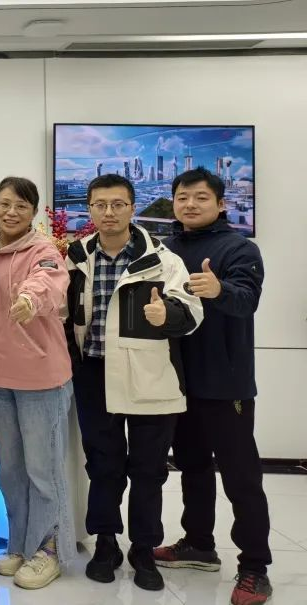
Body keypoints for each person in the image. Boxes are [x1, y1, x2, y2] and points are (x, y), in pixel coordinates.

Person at [66, 173, 203, 592]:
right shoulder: (75, 257)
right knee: (102, 465)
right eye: (100, 205)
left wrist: (167, 316)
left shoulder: (163, 259)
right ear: (89, 209)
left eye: (118, 204)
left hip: (150, 376)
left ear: (132, 207)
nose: (109, 212)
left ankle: (143, 548)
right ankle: (105, 543)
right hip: (94, 375)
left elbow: (192, 313)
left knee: (148, 469)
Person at [156, 167, 272, 605]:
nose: (190, 204)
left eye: (201, 197)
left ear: (221, 204)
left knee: (241, 477)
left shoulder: (240, 248)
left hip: (226, 385)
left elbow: (247, 301)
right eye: (182, 197)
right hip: (178, 383)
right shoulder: (165, 248)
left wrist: (219, 288)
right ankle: (199, 544)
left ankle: (255, 566)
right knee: (192, 468)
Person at [0, 176, 75, 590]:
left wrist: (30, 299)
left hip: (40, 377)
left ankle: (50, 549)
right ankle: (20, 543)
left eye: (20, 205)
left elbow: (48, 283)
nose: (11, 212)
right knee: (11, 470)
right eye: (4, 203)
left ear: (33, 212)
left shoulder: (43, 251)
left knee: (42, 469)